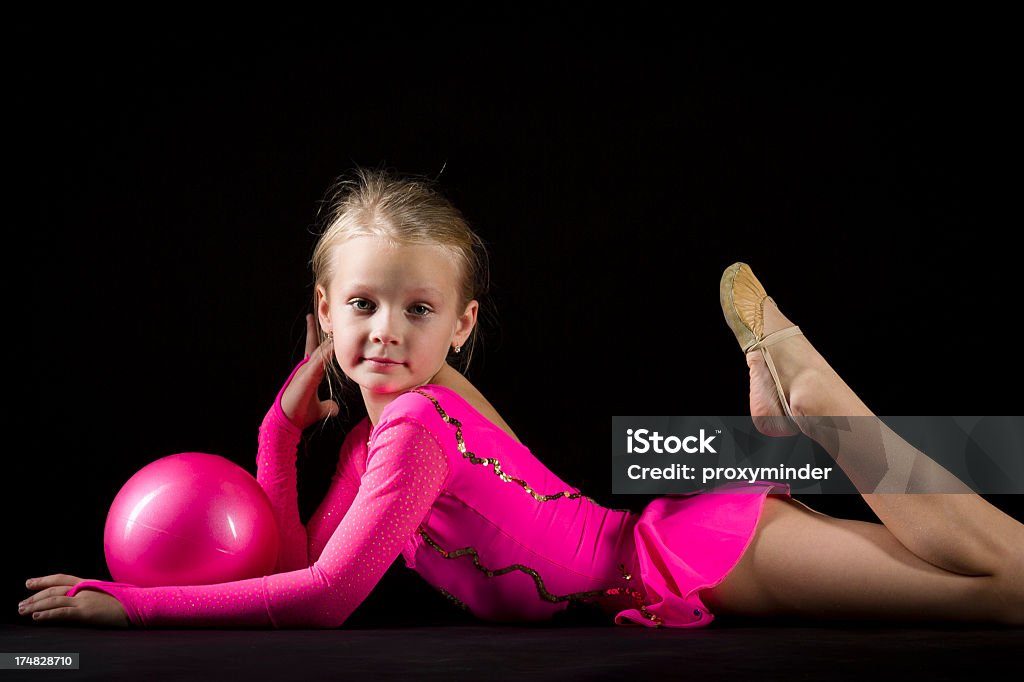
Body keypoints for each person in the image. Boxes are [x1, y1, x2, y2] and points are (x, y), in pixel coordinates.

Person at [20, 168, 1024, 629]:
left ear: (459, 327)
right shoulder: (376, 446)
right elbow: (295, 560)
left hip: (689, 557)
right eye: (362, 305)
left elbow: (322, 603)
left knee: (1010, 583)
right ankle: (805, 404)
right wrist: (278, 431)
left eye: (418, 310)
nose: (385, 331)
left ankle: (809, 392)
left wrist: (138, 608)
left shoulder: (413, 429)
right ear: (322, 309)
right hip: (677, 551)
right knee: (999, 577)